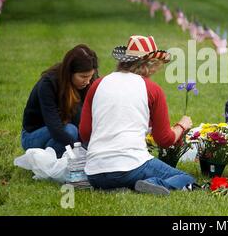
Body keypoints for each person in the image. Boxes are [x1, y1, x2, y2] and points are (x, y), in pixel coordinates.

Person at [79, 35, 197, 195]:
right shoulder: (152, 89)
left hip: (94, 172)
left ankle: (121, 186)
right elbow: (164, 140)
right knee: (185, 177)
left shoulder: (97, 84)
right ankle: (150, 183)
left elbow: (85, 133)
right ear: (151, 64)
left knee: (117, 175)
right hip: (130, 167)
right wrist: (182, 125)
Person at [21, 44, 99, 158]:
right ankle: (46, 158)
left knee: (82, 129)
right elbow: (55, 128)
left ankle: (54, 156)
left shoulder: (88, 82)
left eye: (90, 76)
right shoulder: (48, 84)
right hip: (34, 135)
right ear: (69, 72)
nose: (87, 81)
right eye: (83, 76)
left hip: (64, 130)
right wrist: (82, 150)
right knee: (70, 130)